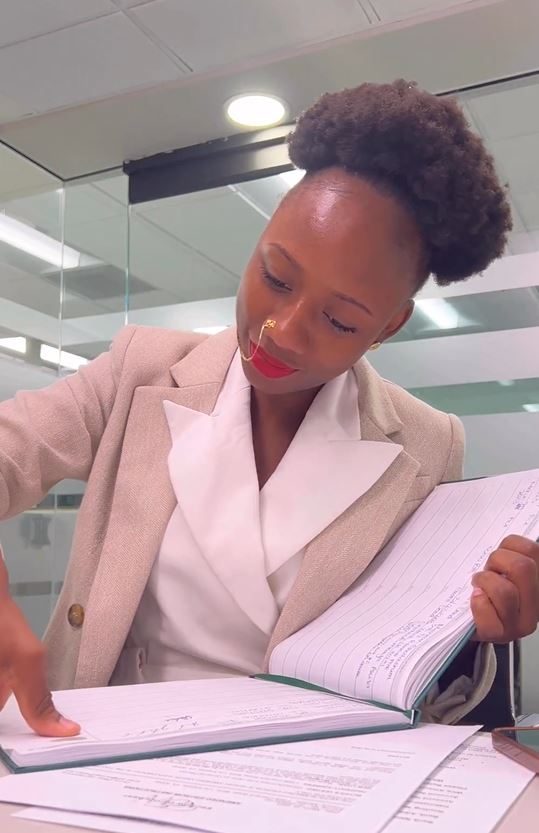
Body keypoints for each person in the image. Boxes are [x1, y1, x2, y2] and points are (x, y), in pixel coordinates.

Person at [1, 80, 538, 738]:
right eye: (275, 277)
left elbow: (410, 661)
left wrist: (474, 633)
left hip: (302, 765)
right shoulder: (139, 370)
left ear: (389, 326)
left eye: (339, 320)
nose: (280, 331)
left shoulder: (428, 444)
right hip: (103, 747)